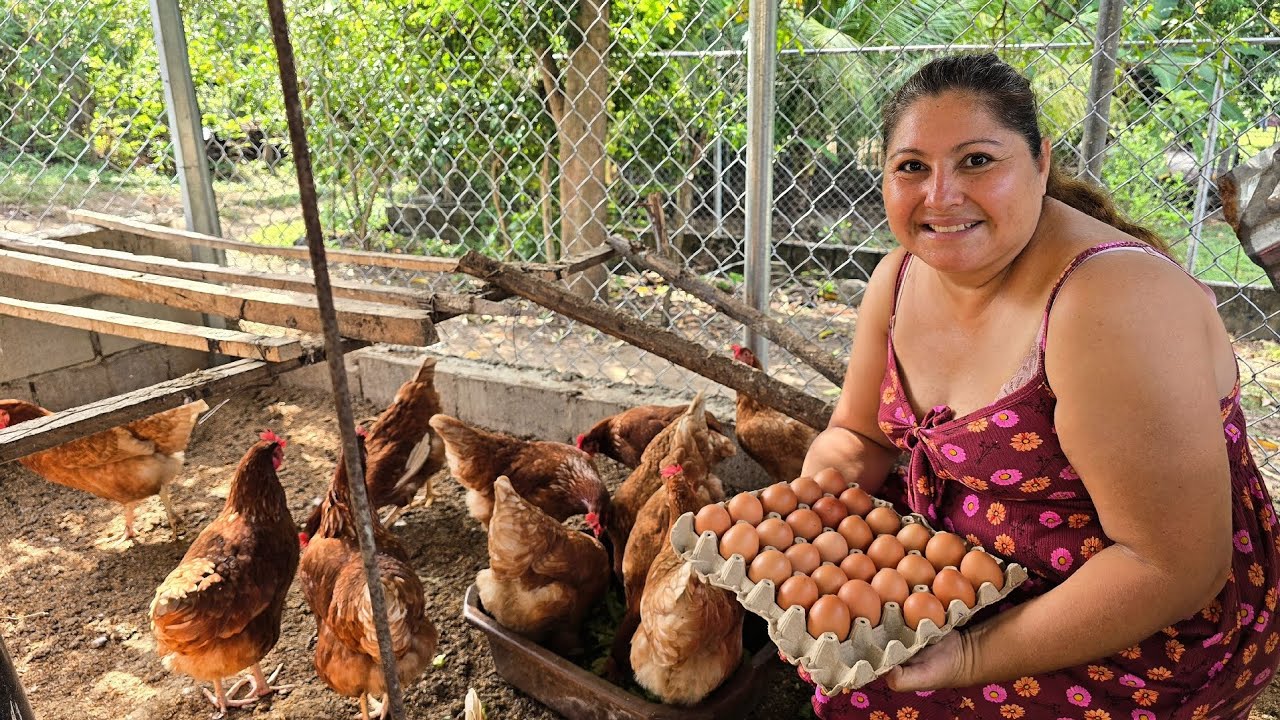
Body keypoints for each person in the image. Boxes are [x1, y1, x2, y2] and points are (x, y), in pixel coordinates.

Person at [798, 53, 1280, 719]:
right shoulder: (900, 278)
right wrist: (813, 508)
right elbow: (857, 434)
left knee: (887, 692)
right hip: (972, 578)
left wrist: (970, 654)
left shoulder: (1109, 303)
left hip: (1142, 624)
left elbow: (1173, 570)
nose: (940, 195)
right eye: (912, 167)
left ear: (1040, 162)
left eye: (976, 161)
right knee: (851, 671)